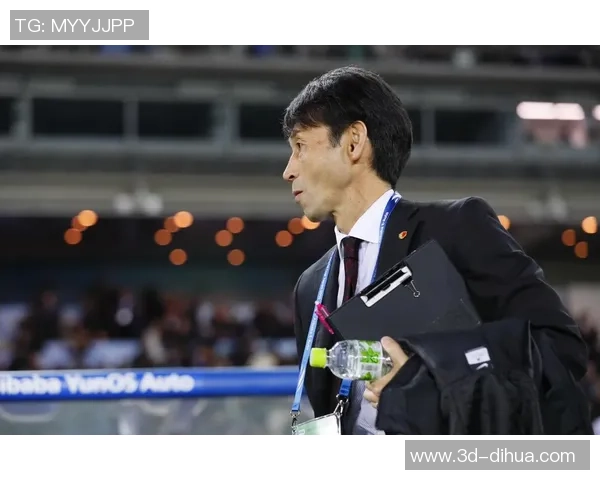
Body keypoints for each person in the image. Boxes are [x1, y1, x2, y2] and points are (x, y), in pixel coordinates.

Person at [282, 66, 591, 435]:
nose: (288, 170)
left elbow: (559, 347)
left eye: (300, 147)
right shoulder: (310, 285)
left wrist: (432, 375)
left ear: (353, 142)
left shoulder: (456, 229)